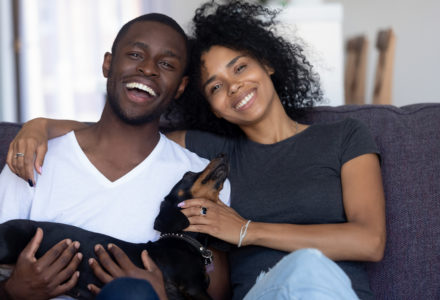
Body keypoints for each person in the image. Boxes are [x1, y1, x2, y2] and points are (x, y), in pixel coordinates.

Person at [6, 1, 386, 299]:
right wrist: (42, 126)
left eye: (239, 68)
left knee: (309, 269)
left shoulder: (344, 137)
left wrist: (246, 231)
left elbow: (370, 241)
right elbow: (129, 125)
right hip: (263, 293)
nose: (233, 87)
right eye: (216, 87)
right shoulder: (213, 158)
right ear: (204, 101)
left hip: (332, 290)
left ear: (267, 62)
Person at [0, 13, 231, 300]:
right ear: (108, 64)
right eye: (135, 54)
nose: (148, 69)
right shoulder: (32, 156)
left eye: (166, 64)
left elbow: (215, 292)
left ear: (181, 87)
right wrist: (11, 292)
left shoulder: (199, 180)